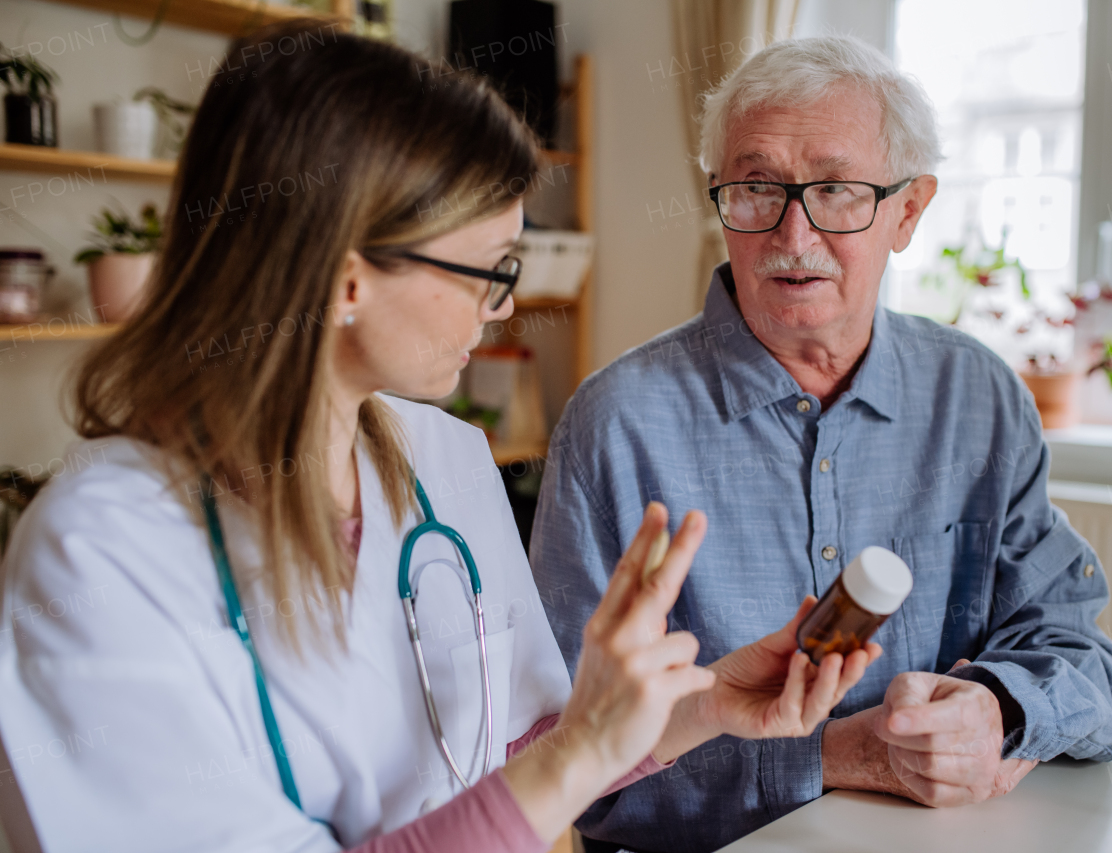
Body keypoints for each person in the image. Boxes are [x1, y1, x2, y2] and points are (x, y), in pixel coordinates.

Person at [0, 22, 884, 853]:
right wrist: (575, 755)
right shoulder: (97, 552)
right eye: (489, 269)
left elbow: (512, 750)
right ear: (346, 277)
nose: (503, 305)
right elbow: (550, 770)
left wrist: (699, 706)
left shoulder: (443, 461)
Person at [530, 34, 1112, 853]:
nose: (792, 233)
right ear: (719, 198)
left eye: (839, 190)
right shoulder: (616, 425)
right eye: (755, 188)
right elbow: (561, 765)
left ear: (908, 211)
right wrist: (831, 757)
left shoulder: (979, 397)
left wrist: (1000, 708)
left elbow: (1079, 648)